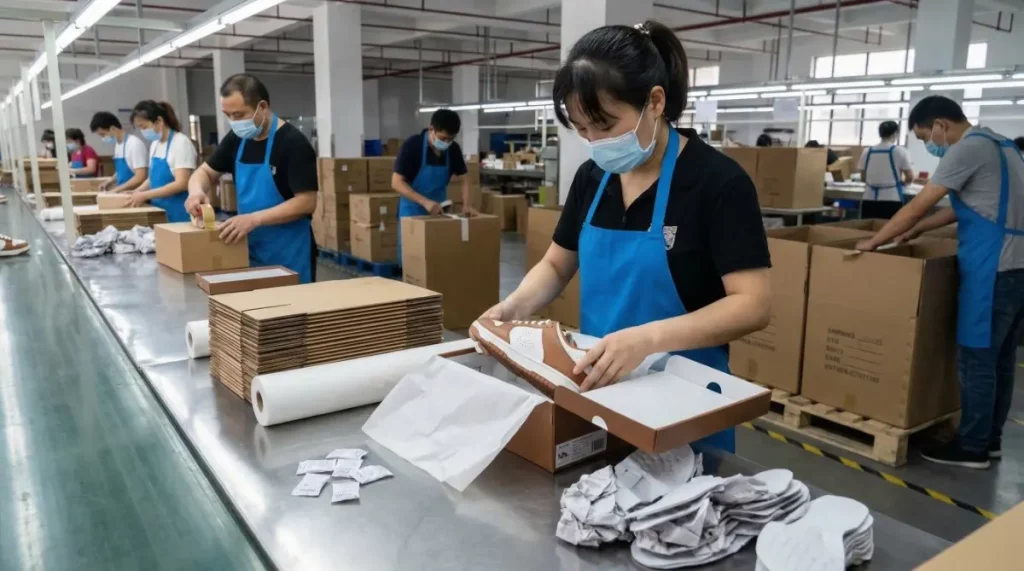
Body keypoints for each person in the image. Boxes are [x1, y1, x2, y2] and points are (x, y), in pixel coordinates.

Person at [480, 20, 771, 453]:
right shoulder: (593, 177)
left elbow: (753, 304)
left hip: (684, 407)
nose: (595, 142)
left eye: (606, 125)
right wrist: (509, 310)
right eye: (582, 129)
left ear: (655, 101)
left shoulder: (717, 183)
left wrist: (647, 339)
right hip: (599, 390)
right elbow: (558, 263)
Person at [856, 95, 1024, 469]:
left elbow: (921, 201)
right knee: (1000, 360)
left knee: (976, 358)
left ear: (940, 126)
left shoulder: (966, 149)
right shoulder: (1004, 146)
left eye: (925, 135)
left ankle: (973, 447)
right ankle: (990, 439)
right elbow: (961, 208)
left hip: (991, 269)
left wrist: (876, 240)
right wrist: (915, 229)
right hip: (1017, 268)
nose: (930, 145)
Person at [185, 74, 318, 283]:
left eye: (239, 115)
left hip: (289, 254)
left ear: (262, 107)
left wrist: (254, 219)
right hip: (249, 248)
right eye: (228, 115)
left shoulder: (292, 143)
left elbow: (307, 202)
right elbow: (204, 172)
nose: (233, 122)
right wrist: (196, 192)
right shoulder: (238, 139)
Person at [393, 108, 474, 222]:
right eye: (443, 138)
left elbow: (465, 178)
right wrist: (425, 202)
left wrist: (467, 204)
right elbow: (396, 182)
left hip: (439, 211)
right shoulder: (412, 146)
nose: (446, 143)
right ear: (431, 129)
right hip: (412, 212)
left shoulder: (453, 149)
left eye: (450, 139)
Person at [126, 100, 194, 221]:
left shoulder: (180, 142)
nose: (143, 132)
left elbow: (182, 183)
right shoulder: (155, 144)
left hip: (179, 213)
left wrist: (145, 195)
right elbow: (152, 179)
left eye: (144, 127)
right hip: (159, 211)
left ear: (159, 121)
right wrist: (135, 192)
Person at [857, 120, 915, 219]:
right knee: (889, 231)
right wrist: (903, 184)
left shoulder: (867, 151)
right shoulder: (900, 151)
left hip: (869, 198)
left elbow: (863, 178)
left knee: (867, 230)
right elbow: (910, 177)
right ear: (896, 133)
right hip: (892, 198)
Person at [89, 111, 149, 192]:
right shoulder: (118, 145)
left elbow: (140, 176)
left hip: (136, 194)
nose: (103, 138)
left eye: (103, 134)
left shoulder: (134, 144)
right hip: (124, 192)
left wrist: (117, 190)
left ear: (113, 128)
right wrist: (109, 181)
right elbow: (121, 172)